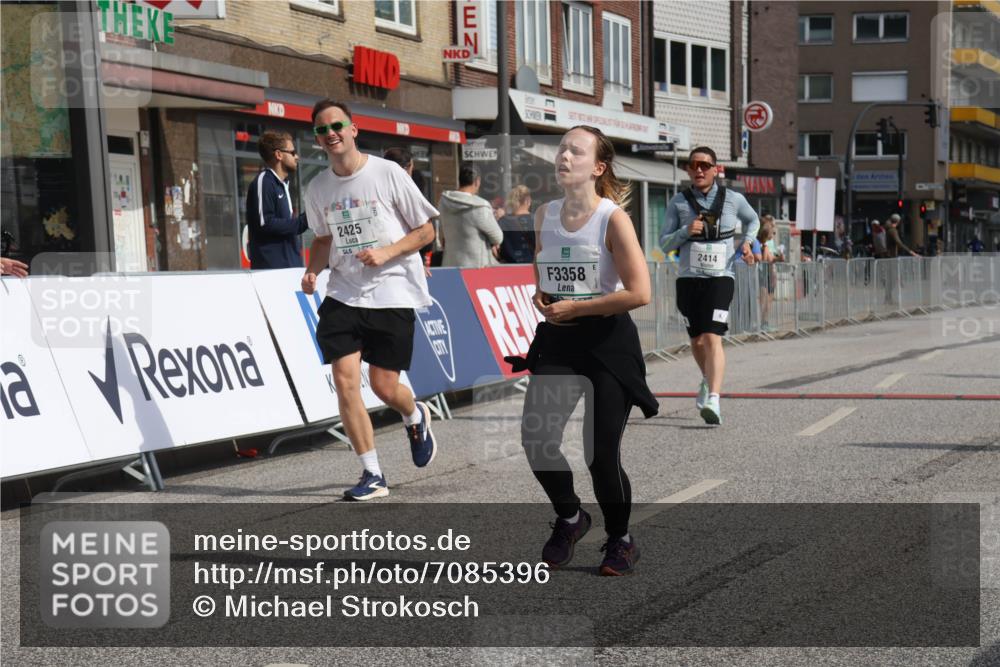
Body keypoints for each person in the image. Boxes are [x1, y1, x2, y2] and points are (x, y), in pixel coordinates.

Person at [507, 125, 658, 576]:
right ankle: (571, 517)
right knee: (537, 440)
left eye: (576, 150)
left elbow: (640, 292)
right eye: (561, 149)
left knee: (599, 453)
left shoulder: (613, 219)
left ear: (597, 167)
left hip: (607, 342)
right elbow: (545, 270)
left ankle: (620, 539)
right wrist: (544, 295)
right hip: (559, 339)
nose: (564, 156)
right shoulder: (544, 214)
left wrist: (580, 305)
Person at [301, 100, 439, 501]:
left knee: (383, 385)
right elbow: (323, 239)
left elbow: (425, 231)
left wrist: (387, 252)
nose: (331, 134)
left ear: (353, 129)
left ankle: (415, 415)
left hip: (392, 288)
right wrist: (313, 270)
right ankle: (372, 474)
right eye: (322, 130)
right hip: (344, 292)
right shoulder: (317, 187)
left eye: (337, 125)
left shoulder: (387, 173)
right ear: (317, 139)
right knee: (345, 383)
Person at [659, 146, 759, 425]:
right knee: (697, 340)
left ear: (716, 169)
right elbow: (664, 243)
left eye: (705, 165)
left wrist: (748, 242)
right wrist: (684, 232)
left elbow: (753, 220)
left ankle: (714, 398)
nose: (699, 169)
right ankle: (707, 380)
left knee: (713, 336)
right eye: (694, 165)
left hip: (721, 277)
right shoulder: (678, 202)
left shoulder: (733, 199)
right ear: (689, 170)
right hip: (688, 280)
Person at [245, 130, 309, 269]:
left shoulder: (283, 184)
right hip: (272, 272)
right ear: (279, 154)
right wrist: (302, 222)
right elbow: (265, 223)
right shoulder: (264, 181)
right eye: (292, 152)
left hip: (291, 267)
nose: (296, 157)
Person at [437, 165, 503, 268]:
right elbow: (498, 237)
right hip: (476, 269)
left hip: (450, 265)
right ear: (477, 182)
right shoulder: (480, 206)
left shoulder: (443, 202)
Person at [384, 147, 435, 274]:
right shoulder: (408, 188)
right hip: (401, 261)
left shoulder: (375, 186)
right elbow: (425, 232)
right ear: (408, 166)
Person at [497, 184, 536, 263]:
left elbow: (497, 247)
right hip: (533, 266)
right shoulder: (537, 220)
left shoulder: (502, 221)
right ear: (528, 201)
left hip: (509, 268)